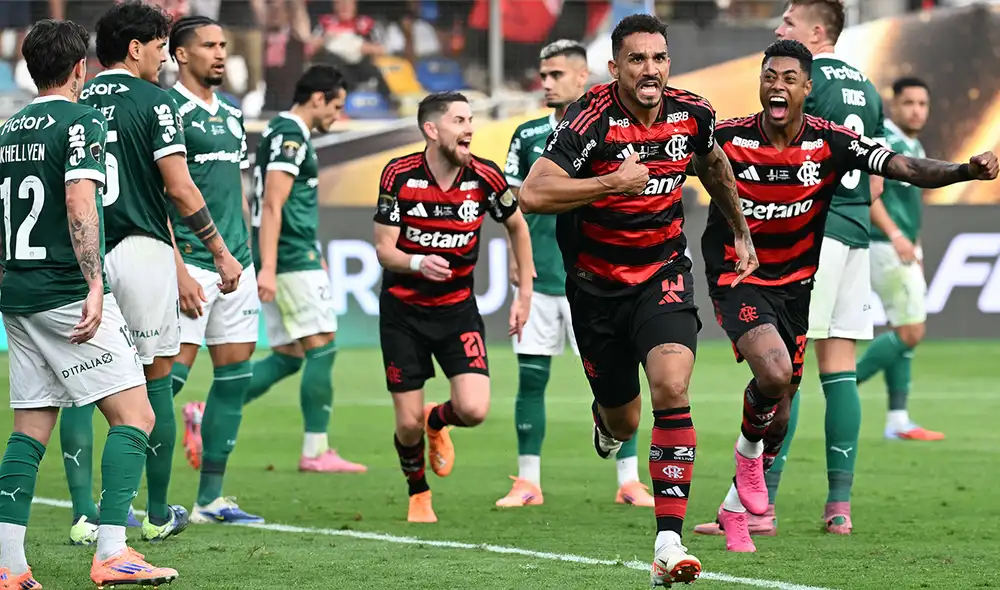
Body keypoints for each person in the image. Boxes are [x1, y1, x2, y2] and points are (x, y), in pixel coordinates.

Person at [696, 40, 996, 553]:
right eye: (770, 76)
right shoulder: (726, 138)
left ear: (807, 90)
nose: (777, 85)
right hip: (739, 277)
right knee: (772, 374)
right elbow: (660, 168)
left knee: (781, 407)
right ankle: (751, 472)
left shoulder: (832, 141)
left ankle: (733, 508)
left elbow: (902, 167)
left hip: (795, 288)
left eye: (790, 78)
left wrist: (965, 171)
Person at [519, 14, 757, 587]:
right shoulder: (589, 117)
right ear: (615, 67)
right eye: (636, 60)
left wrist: (741, 231)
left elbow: (715, 166)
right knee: (623, 418)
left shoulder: (692, 112)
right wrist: (608, 184)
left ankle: (667, 543)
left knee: (673, 385)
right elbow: (533, 192)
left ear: (668, 63)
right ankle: (607, 424)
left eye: (658, 58)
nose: (649, 70)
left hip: (663, 273)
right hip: (596, 288)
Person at [0, 19, 178, 588]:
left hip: (18, 293)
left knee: (29, 428)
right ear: (81, 68)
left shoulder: (8, 130)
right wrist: (95, 284)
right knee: (137, 415)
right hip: (63, 292)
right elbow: (81, 203)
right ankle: (112, 552)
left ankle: (9, 565)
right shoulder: (82, 120)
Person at [59, 0, 243, 546]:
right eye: (162, 48)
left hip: (82, 254)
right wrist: (220, 250)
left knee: (77, 386)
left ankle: (85, 514)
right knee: (154, 381)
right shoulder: (158, 102)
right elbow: (180, 188)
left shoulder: (75, 98)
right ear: (136, 48)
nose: (165, 59)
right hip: (140, 251)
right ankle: (159, 512)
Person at [497, 39, 655, 509]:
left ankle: (629, 480)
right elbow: (513, 211)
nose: (545, 83)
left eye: (555, 75)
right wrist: (519, 276)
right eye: (542, 75)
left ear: (582, 76)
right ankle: (528, 481)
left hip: (601, 277)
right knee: (531, 377)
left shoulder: (614, 130)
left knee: (619, 379)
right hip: (543, 278)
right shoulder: (526, 137)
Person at [374, 91, 533, 524]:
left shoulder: (485, 176)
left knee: (474, 410)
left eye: (471, 121)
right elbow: (384, 250)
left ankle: (436, 420)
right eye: (460, 121)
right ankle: (419, 493)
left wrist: (523, 292)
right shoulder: (398, 174)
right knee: (404, 426)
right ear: (431, 129)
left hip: (458, 309)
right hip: (403, 313)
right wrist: (416, 262)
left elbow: (517, 226)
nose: (470, 130)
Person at [761, 0, 885, 536]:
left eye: (787, 23)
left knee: (782, 372)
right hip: (857, 232)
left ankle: (756, 502)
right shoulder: (868, 87)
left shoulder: (809, 85)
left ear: (815, 31)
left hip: (817, 234)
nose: (778, 29)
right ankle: (839, 506)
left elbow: (791, 160)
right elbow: (876, 178)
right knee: (840, 372)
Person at [164, 15, 265, 525]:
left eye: (224, 44)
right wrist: (177, 268)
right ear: (180, 55)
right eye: (208, 45)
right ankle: (146, 502)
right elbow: (159, 198)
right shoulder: (169, 112)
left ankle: (210, 499)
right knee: (168, 383)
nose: (221, 53)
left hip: (237, 266)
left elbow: (240, 193)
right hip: (192, 263)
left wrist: (249, 258)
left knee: (234, 378)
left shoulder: (231, 111)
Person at [247, 64, 367, 474]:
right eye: (337, 106)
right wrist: (269, 266)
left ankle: (205, 411)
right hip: (289, 256)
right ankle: (316, 452)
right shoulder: (290, 133)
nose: (338, 115)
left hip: (294, 253)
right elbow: (272, 204)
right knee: (322, 345)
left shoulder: (287, 132)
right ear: (318, 99)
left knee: (289, 353)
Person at [858, 77, 943, 441]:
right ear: (894, 105)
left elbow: (911, 206)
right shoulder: (886, 145)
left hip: (903, 245)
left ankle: (898, 420)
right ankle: (843, 382)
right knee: (911, 331)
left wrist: (915, 244)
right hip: (882, 244)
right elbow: (871, 196)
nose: (917, 111)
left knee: (901, 328)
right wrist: (896, 236)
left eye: (923, 104)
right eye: (909, 103)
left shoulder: (915, 146)